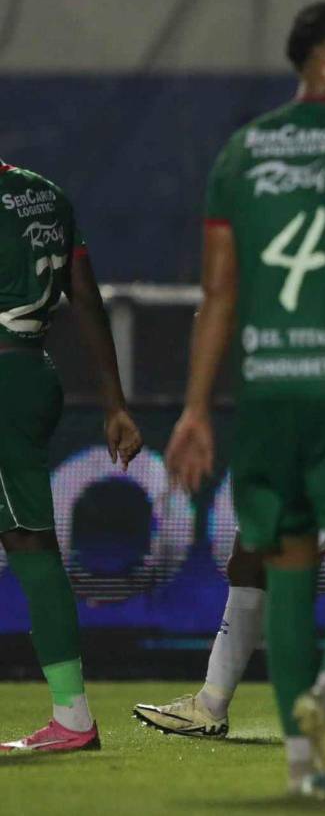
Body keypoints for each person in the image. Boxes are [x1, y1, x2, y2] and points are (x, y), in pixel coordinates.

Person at [150, 1, 325, 797]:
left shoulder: (240, 152)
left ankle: (305, 768)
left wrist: (196, 407)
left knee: (284, 571)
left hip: (266, 393)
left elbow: (218, 292)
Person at [0, 160, 144, 752]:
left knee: (30, 540)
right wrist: (114, 403)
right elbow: (85, 298)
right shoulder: (45, 194)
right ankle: (72, 716)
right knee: (28, 537)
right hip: (31, 370)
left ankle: (74, 718)